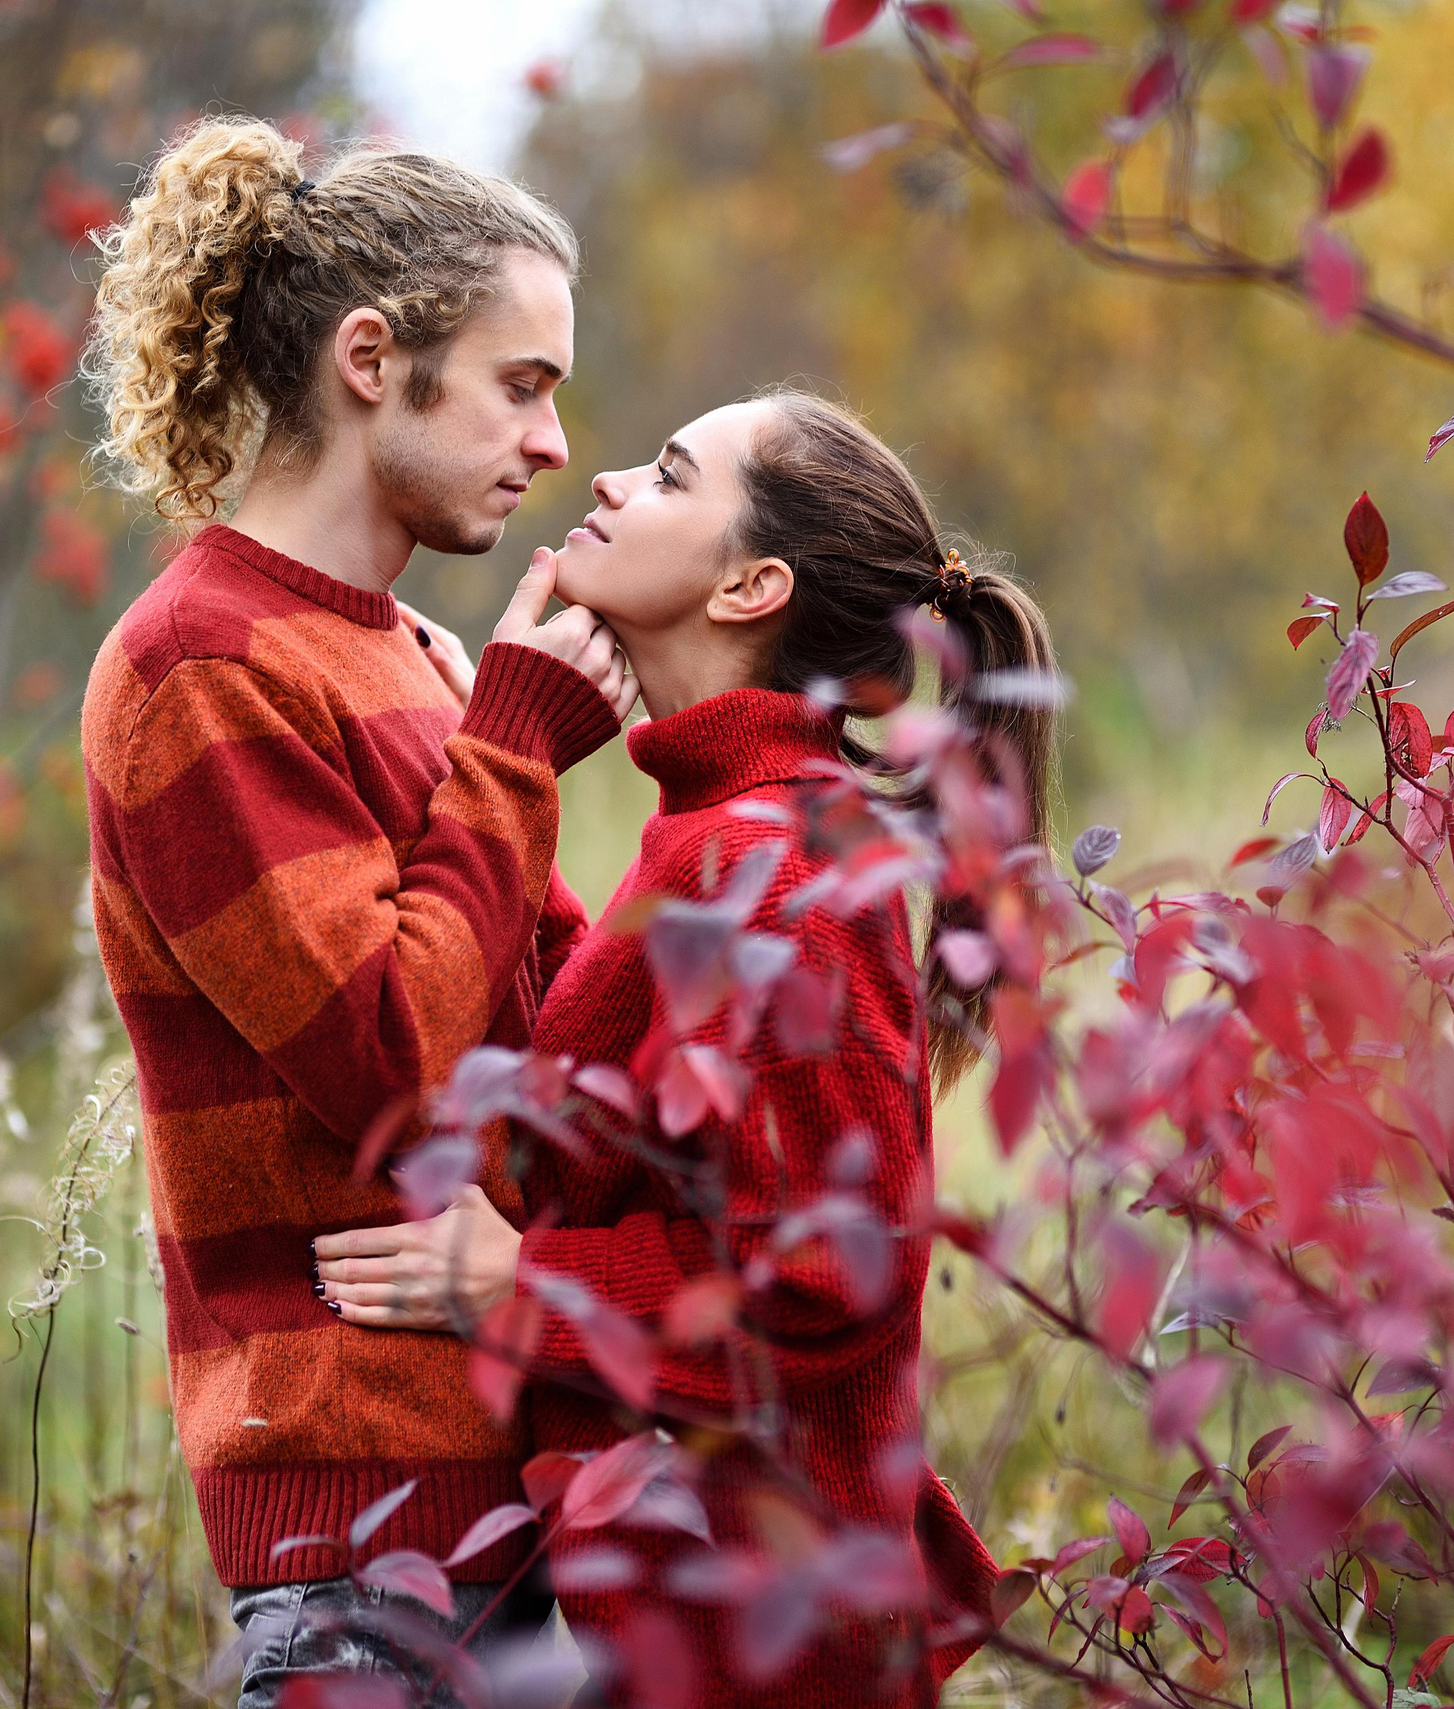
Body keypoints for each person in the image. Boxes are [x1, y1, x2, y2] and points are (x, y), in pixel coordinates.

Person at [314, 390, 1045, 1705]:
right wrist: (501, 750)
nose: (600, 479)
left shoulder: (769, 860)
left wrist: (521, 1278)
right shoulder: (724, 831)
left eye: (665, 475)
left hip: (763, 1642)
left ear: (754, 582)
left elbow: (826, 1269)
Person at [78, 116, 639, 1709]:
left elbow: (545, 1031)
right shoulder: (197, 666)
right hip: (355, 1520)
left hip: (509, 1482)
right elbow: (392, 1061)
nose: (551, 440)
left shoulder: (425, 659)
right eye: (522, 385)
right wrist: (519, 744)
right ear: (373, 359)